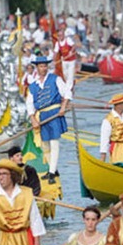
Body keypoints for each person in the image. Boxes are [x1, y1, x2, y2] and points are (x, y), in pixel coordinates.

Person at [25, 56, 70, 184]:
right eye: (40, 66)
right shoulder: (33, 85)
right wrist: (33, 119)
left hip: (54, 113)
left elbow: (66, 93)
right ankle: (53, 169)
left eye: (45, 66)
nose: (43, 68)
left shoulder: (55, 79)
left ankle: (51, 172)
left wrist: (63, 107)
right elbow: (30, 104)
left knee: (54, 143)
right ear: (37, 68)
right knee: (45, 145)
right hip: (42, 116)